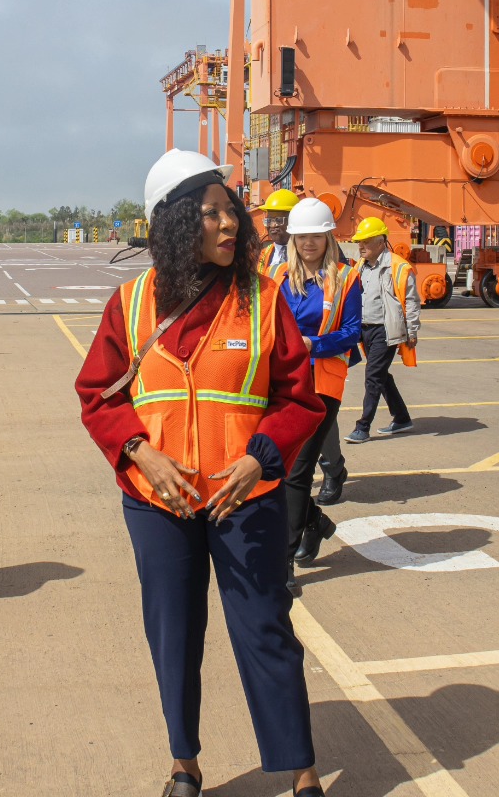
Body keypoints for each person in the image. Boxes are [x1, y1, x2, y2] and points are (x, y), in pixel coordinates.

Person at [76, 149, 328, 797]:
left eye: (230, 212)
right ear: (177, 222)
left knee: (265, 628)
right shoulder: (130, 304)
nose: (230, 224)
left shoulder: (262, 300)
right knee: (174, 633)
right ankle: (183, 764)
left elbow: (300, 399)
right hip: (156, 502)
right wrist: (141, 452)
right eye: (212, 214)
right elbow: (97, 395)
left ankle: (302, 772)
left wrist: (261, 456)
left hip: (245, 498)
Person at [270, 199, 362, 596]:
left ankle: (284, 561)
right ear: (293, 239)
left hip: (321, 384)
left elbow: (353, 332)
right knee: (275, 467)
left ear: (328, 238)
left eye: (316, 236)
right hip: (281, 383)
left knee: (298, 471)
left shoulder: (346, 277)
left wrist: (315, 344)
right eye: (302, 236)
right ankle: (315, 522)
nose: (309, 243)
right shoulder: (277, 276)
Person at [343, 217, 419, 443]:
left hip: (386, 330)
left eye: (365, 241)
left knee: (373, 376)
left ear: (381, 242)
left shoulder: (398, 266)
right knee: (381, 374)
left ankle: (363, 427)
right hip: (364, 330)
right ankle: (402, 417)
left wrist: (412, 330)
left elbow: (412, 301)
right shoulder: (360, 266)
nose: (361, 246)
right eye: (359, 242)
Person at [256, 188, 299, 273]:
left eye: (278, 220)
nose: (272, 225)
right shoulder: (261, 256)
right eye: (269, 220)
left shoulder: (307, 254)